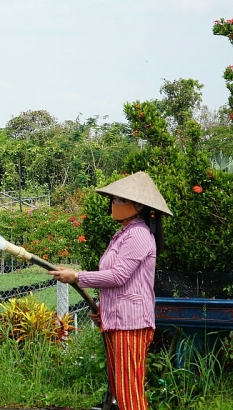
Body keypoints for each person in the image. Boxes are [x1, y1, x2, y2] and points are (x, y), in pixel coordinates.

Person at [48, 171, 172, 410]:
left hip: (132, 323)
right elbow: (120, 283)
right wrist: (102, 310)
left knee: (128, 391)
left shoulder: (138, 235)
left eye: (119, 200)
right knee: (120, 387)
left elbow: (118, 276)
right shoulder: (123, 234)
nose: (114, 204)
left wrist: (76, 276)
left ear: (137, 205)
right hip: (118, 321)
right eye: (113, 199)